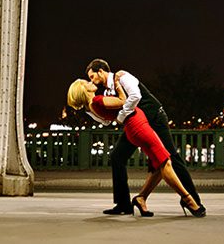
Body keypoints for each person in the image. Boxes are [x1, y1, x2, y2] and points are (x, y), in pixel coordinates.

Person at [67, 78, 204, 216]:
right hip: (137, 126)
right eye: (87, 83)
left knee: (159, 165)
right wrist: (118, 85)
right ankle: (188, 199)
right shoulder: (96, 101)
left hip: (137, 125)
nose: (91, 82)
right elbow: (123, 101)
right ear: (83, 90)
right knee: (165, 162)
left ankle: (141, 198)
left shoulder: (93, 105)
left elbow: (109, 117)